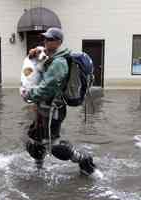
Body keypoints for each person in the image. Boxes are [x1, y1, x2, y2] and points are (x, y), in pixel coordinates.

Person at [21, 27, 96, 175]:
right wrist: (34, 52)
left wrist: (29, 94)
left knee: (54, 146)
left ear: (58, 42)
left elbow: (47, 88)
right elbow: (39, 57)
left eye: (50, 39)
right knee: (36, 140)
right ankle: (39, 170)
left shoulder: (59, 63)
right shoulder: (52, 57)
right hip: (42, 107)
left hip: (53, 109)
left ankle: (84, 160)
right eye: (45, 38)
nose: (46, 41)